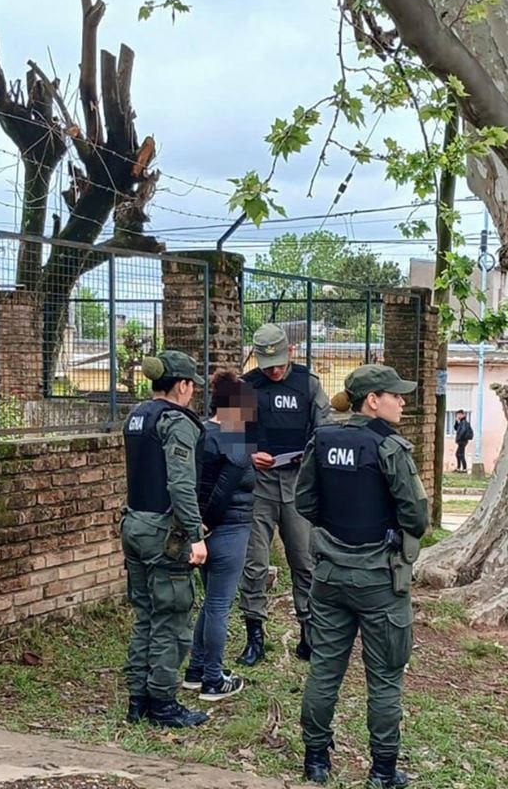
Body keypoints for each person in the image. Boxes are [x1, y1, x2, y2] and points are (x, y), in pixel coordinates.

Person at [296, 364, 428, 787]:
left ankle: (315, 762)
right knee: (386, 677)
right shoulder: (389, 447)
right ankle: (384, 771)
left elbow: (304, 501)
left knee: (324, 670)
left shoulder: (324, 438)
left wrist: (337, 531)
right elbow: (417, 516)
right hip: (379, 579)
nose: (403, 401)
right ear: (373, 400)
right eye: (396, 394)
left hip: (329, 574)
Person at [121, 351, 210, 728]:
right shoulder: (177, 422)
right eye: (193, 386)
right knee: (171, 619)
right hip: (164, 532)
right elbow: (181, 484)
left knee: (145, 615)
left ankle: (137, 699)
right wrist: (196, 535)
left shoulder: (137, 416)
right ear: (183, 385)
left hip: (134, 525)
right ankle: (163, 703)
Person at [237, 324, 331, 666]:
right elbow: (225, 438)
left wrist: (309, 457)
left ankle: (308, 633)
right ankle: (255, 636)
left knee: (304, 562)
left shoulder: (309, 384)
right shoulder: (245, 387)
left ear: (290, 352)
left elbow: (325, 432)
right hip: (258, 487)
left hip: (297, 486)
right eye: (267, 364)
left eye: (278, 363)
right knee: (255, 564)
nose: (274, 371)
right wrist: (248, 454)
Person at [182, 370, 256, 702]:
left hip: (201, 531)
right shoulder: (235, 438)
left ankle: (196, 671)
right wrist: (206, 524)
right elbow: (224, 491)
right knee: (219, 605)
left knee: (210, 603)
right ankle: (214, 679)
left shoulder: (202, 432)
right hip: (227, 529)